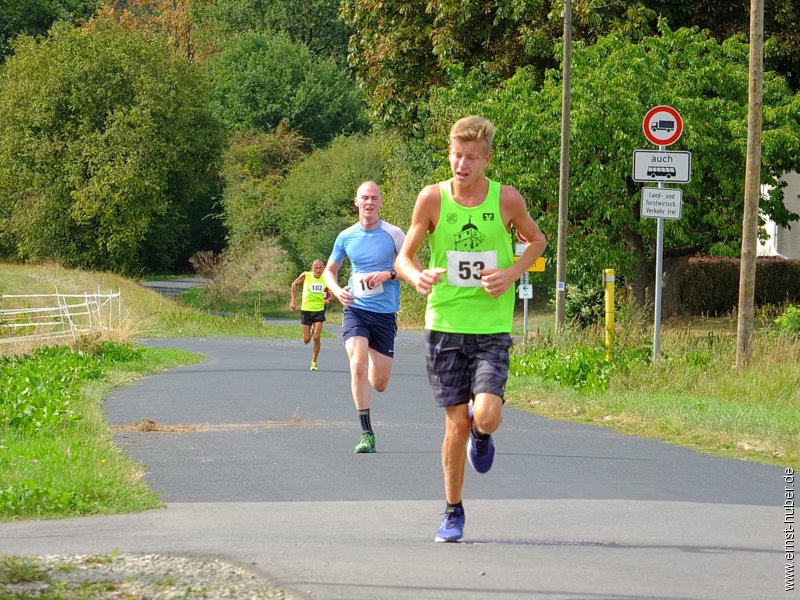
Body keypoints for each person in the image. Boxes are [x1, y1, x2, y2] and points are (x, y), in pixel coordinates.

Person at [394, 115, 547, 542]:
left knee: (485, 415)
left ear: (486, 160)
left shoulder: (506, 200)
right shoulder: (431, 199)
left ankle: (484, 436)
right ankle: (452, 510)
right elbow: (404, 257)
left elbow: (537, 241)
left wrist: (512, 272)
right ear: (449, 154)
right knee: (454, 424)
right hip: (444, 324)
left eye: (471, 158)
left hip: (491, 327)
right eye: (456, 155)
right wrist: (416, 276)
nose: (461, 165)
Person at [323, 181, 405, 454]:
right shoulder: (346, 236)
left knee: (379, 384)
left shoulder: (393, 234)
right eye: (364, 198)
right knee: (356, 364)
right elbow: (329, 270)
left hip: (384, 314)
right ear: (356, 202)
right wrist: (336, 291)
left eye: (374, 198)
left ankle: (371, 351)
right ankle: (366, 433)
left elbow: (411, 267)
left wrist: (387, 274)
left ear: (380, 202)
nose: (369, 202)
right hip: (356, 309)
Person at [290, 259, 330, 371]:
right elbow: (294, 284)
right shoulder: (306, 275)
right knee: (306, 340)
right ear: (312, 268)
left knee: (317, 337)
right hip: (306, 310)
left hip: (319, 310)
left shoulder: (326, 278)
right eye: (316, 268)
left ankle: (314, 362)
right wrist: (293, 301)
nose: (318, 270)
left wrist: (327, 299)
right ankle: (311, 331)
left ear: (323, 268)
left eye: (320, 268)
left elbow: (327, 292)